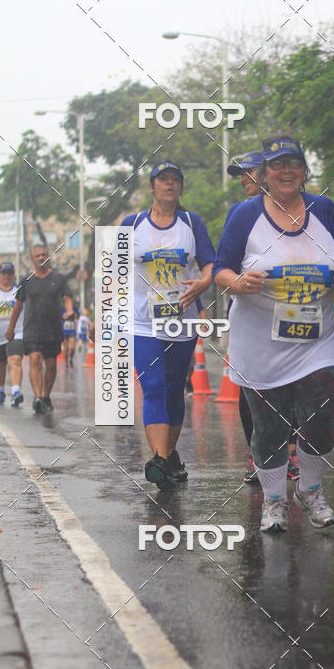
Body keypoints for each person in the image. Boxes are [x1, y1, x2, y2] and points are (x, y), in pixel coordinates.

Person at [214, 135, 334, 533]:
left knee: (320, 414)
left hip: (316, 341)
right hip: (260, 343)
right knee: (270, 428)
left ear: (304, 170)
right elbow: (221, 269)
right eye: (277, 165)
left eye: (294, 163)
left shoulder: (324, 209)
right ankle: (275, 501)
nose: (286, 171)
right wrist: (239, 282)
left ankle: (310, 491)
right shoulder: (245, 215)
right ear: (263, 174)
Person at [121, 161, 215, 489]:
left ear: (180, 187)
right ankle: (160, 460)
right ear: (152, 187)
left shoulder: (191, 222)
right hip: (142, 323)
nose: (169, 185)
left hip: (181, 322)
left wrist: (204, 284)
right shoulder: (131, 224)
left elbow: (210, 265)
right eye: (163, 180)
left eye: (175, 179)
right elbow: (112, 275)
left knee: (175, 390)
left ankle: (169, 456)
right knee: (155, 388)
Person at [227, 151, 301, 484]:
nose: (243, 178)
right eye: (239, 173)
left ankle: (292, 453)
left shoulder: (300, 209)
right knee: (251, 387)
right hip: (251, 315)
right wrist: (236, 281)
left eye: (248, 171)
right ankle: (260, 456)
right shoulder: (238, 214)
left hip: (292, 309)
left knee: (292, 384)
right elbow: (225, 263)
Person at [6, 245, 74, 414]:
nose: (41, 258)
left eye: (44, 255)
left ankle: (46, 396)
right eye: (37, 256)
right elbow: (17, 306)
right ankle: (37, 398)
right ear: (32, 259)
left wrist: (69, 310)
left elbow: (67, 298)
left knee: (51, 365)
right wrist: (11, 328)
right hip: (32, 328)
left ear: (48, 257)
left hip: (53, 328)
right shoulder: (25, 280)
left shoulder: (59, 279)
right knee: (35, 360)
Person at [0, 262, 24, 407]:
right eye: (4, 273)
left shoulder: (19, 291)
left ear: (13, 275)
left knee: (15, 360)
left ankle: (16, 391)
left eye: (9, 273)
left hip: (16, 333)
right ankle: (0, 391)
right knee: (0, 365)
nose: (6, 276)